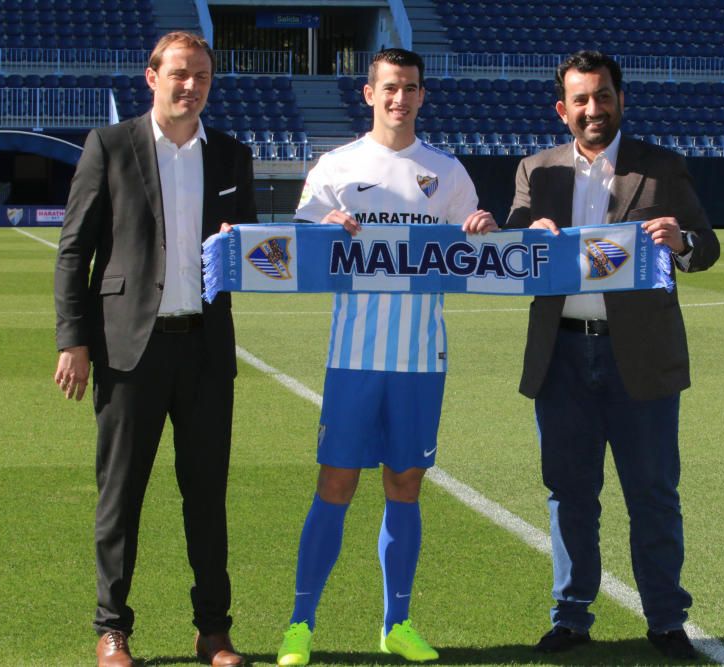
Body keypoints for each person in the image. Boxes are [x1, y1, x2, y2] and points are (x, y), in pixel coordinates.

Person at [274, 48, 496, 666]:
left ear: (423, 96)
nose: (401, 98)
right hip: (354, 354)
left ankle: (397, 623)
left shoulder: (446, 172)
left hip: (422, 357)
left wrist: (478, 227)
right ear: (369, 94)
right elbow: (298, 249)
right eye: (390, 88)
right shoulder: (336, 166)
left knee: (405, 484)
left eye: (412, 88)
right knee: (336, 482)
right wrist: (324, 227)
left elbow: (469, 257)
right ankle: (300, 624)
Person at [503, 50, 720, 660]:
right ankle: (571, 616)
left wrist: (681, 242)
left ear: (620, 99)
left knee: (652, 491)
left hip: (641, 360)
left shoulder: (661, 167)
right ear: (562, 109)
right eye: (581, 100)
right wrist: (526, 239)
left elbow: (707, 247)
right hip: (562, 358)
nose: (592, 109)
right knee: (569, 493)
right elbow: (514, 250)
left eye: (602, 96)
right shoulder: (536, 170)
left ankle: (665, 619)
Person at [53, 31, 256, 667]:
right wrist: (73, 340)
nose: (190, 85)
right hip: (125, 352)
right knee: (120, 496)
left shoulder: (230, 154)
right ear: (152, 77)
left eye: (201, 75)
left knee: (206, 496)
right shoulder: (110, 146)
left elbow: (248, 251)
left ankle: (213, 631)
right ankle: (112, 628)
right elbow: (74, 251)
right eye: (178, 74)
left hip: (204, 351)